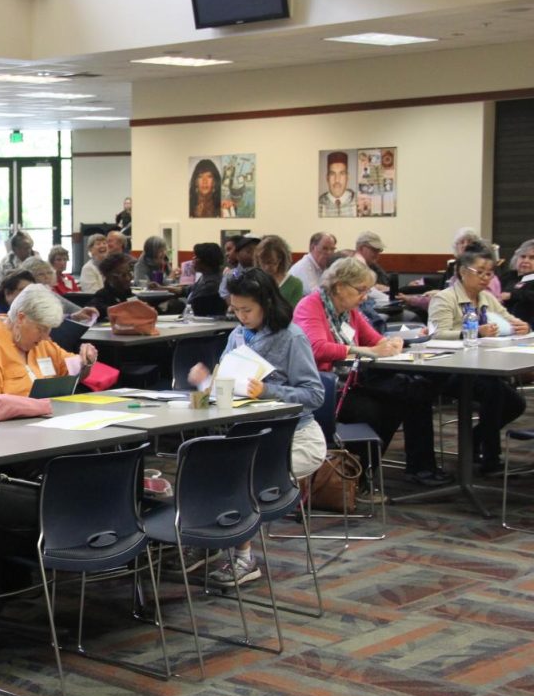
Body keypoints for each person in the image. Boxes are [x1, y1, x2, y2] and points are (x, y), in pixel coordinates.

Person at [186, 268, 326, 585]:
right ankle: (210, 542)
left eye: (246, 310)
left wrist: (268, 391)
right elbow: (226, 387)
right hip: (248, 435)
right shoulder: (237, 335)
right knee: (201, 466)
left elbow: (315, 395)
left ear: (266, 303)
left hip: (293, 439)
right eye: (235, 309)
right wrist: (206, 383)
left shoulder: (292, 337)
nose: (240, 316)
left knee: (237, 478)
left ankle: (243, 558)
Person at [293, 257, 447, 487]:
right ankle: (358, 475)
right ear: (339, 286)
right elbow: (317, 348)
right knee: (376, 409)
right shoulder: (310, 305)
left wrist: (391, 343)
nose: (365, 297)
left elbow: (375, 340)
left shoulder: (349, 311)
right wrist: (365, 349)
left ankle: (409, 470)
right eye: (360, 290)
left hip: (353, 382)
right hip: (324, 388)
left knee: (414, 394)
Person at [428, 242, 528, 472]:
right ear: (462, 272)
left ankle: (473, 440)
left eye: (489, 273)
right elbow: (435, 334)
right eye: (479, 272)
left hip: (481, 366)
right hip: (448, 368)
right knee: (492, 391)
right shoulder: (444, 298)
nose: (484, 278)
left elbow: (506, 318)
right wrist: (469, 332)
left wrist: (521, 326)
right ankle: (491, 457)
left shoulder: (486, 298)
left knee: (515, 403)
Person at [0, 284, 98, 397]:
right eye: (41, 329)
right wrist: (33, 407)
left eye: (48, 329)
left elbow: (72, 372)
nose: (45, 337)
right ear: (21, 318)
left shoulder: (43, 344)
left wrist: (86, 361)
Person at [254, 234, 304, 307]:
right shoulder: (253, 280)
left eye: (271, 262)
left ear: (280, 259)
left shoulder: (295, 284)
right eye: (262, 262)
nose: (266, 267)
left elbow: (293, 314)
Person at [183, 242, 227, 316]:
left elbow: (194, 306)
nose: (193, 259)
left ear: (205, 261)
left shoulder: (211, 284)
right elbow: (186, 290)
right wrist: (161, 287)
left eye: (196, 257)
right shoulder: (205, 277)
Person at [90, 252, 135, 320]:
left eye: (130, 273)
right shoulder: (101, 297)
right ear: (110, 276)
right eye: (123, 275)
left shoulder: (129, 294)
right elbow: (92, 310)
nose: (128, 278)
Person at [502, 239, 534, 323]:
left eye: (532, 258)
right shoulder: (508, 276)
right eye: (523, 256)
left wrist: (511, 295)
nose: (526, 261)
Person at [318, 151, 356, 217]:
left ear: (347, 177)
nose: (337, 180)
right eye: (332, 174)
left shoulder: (358, 202)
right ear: (327, 178)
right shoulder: (318, 204)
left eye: (342, 173)